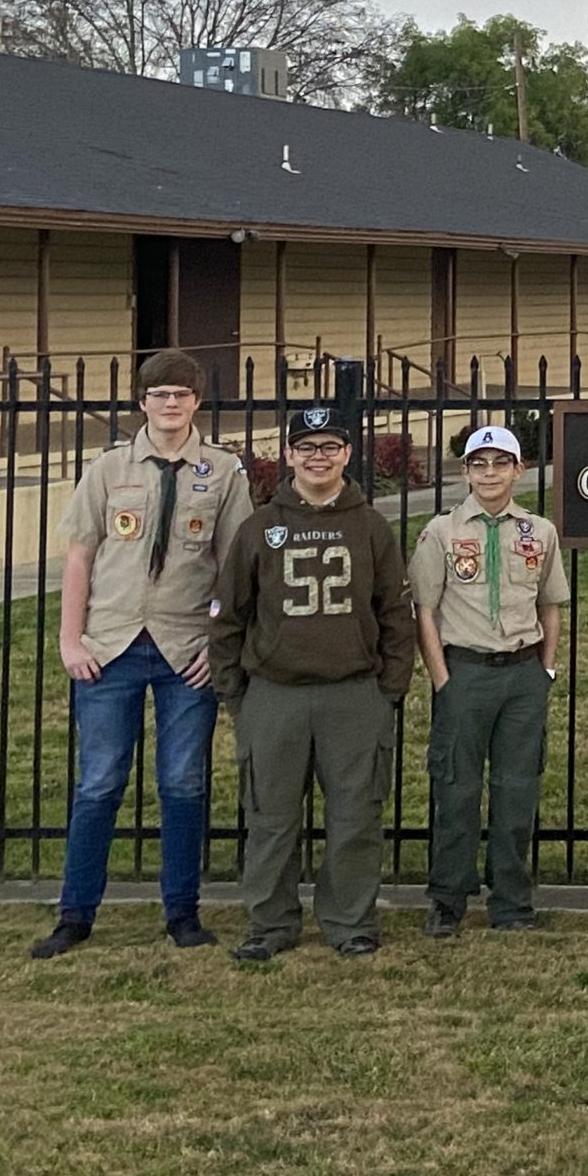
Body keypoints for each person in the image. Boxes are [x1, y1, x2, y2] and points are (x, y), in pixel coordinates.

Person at [30, 350, 256, 959]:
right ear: (142, 403)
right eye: (160, 394)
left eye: (182, 393)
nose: (171, 403)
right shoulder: (107, 471)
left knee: (183, 783)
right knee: (99, 783)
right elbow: (79, 556)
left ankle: (182, 912)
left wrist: (217, 639)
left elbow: (235, 568)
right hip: (111, 647)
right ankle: (75, 914)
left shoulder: (223, 472)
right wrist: (70, 639)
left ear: (197, 402)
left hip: (186, 649)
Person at [208, 403, 416, 961]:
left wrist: (388, 689)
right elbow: (228, 617)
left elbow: (396, 614)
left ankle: (350, 923)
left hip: (353, 693)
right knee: (271, 818)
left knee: (355, 816)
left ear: (347, 454)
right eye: (306, 447)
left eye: (329, 447)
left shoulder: (370, 525)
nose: (318, 457)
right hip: (274, 694)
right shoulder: (260, 527)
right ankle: (270, 925)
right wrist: (236, 695)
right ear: (289, 455)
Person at [411, 424, 570, 938]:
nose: (489, 473)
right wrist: (441, 678)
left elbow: (550, 603)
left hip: (521, 676)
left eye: (500, 463)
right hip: (465, 674)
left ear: (519, 470)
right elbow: (425, 610)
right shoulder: (441, 532)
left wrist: (545, 667)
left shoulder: (539, 532)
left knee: (516, 792)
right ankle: (448, 900)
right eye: (479, 464)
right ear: (465, 473)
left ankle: (512, 903)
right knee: (456, 792)